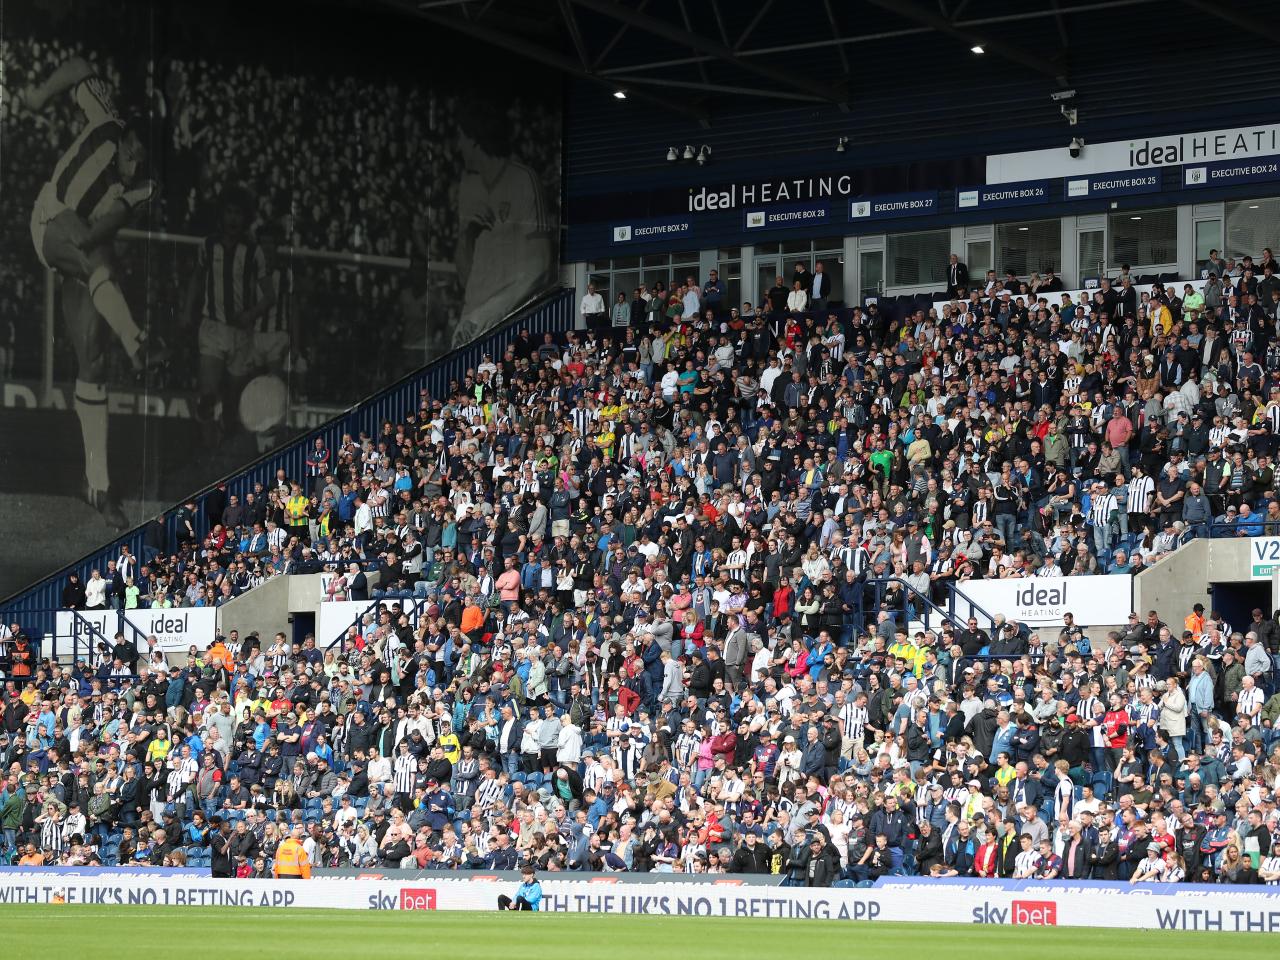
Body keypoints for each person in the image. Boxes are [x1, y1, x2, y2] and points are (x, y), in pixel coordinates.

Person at [20, 56, 160, 528]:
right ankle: (136, 339)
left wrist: (96, 252)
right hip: (48, 221)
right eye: (132, 150)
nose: (133, 162)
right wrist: (39, 94)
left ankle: (97, 485)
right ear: (126, 135)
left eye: (142, 160)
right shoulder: (106, 118)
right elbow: (79, 66)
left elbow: (101, 230)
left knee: (92, 364)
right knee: (87, 248)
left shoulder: (143, 188)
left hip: (87, 253)